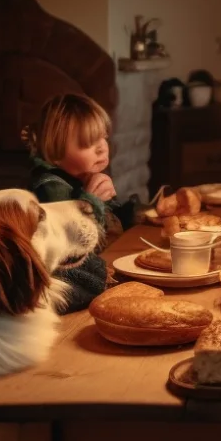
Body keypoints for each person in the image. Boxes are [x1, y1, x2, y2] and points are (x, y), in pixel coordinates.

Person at [25, 93, 136, 312]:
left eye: (103, 137)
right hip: (63, 281)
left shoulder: (81, 176)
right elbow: (70, 246)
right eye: (88, 143)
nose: (102, 148)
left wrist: (138, 212)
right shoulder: (50, 187)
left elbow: (113, 222)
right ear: (55, 152)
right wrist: (91, 201)